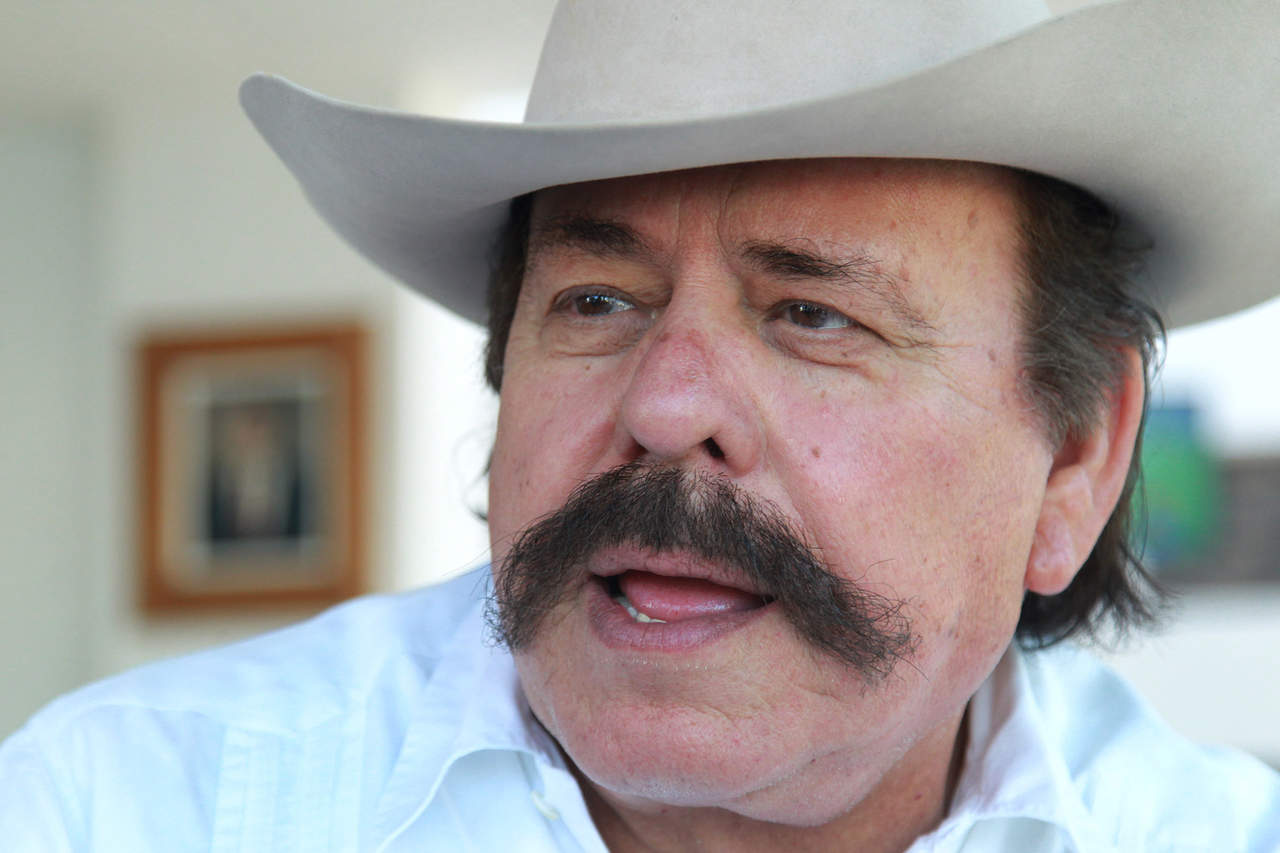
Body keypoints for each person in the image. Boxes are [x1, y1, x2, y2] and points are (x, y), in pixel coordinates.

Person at [4, 0, 1279, 850]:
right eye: (597, 301)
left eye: (814, 316)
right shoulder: (122, 809)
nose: (664, 408)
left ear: (1075, 454)